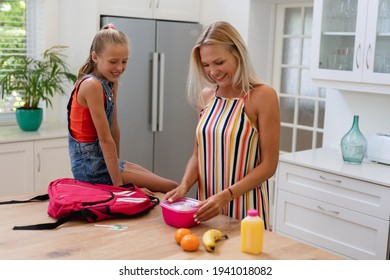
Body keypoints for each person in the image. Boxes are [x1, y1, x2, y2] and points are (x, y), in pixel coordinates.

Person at [164, 21, 280, 229]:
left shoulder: (262, 96)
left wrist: (225, 197)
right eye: (206, 65)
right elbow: (197, 156)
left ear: (238, 54)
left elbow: (269, 165)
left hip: (247, 213)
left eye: (219, 62)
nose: (212, 72)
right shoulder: (206, 97)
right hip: (206, 210)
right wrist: (184, 186)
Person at [67, 24, 178, 195]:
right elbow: (105, 140)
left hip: (102, 162)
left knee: (165, 187)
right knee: (171, 187)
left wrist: (118, 166)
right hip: (90, 168)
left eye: (124, 61)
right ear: (95, 57)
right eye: (113, 62)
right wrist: (119, 189)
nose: (119, 68)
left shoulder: (110, 83)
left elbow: (114, 128)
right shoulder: (92, 85)